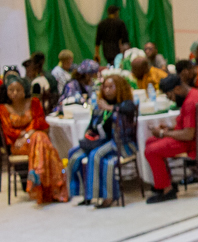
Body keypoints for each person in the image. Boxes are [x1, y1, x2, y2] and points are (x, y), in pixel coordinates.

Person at [67, 75, 136, 207]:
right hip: (99, 142)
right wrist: (89, 133)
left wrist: (109, 107)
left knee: (96, 156)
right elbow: (92, 126)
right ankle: (84, 194)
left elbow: (128, 109)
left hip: (119, 143)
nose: (107, 90)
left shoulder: (126, 104)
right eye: (105, 87)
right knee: (74, 155)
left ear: (119, 88)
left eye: (111, 87)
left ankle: (105, 196)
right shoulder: (99, 107)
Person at [143, 74, 198, 203]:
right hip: (194, 137)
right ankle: (166, 181)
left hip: (193, 142)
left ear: (177, 89)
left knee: (151, 151)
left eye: (170, 96)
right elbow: (187, 126)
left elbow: (188, 134)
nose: (171, 100)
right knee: (150, 141)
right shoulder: (194, 94)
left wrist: (163, 134)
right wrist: (169, 129)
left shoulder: (190, 102)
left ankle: (166, 190)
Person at [0, 76, 68, 204]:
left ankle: (36, 173)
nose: (14, 93)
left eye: (18, 90)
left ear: (24, 90)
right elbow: (8, 131)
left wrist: (27, 135)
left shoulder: (34, 102)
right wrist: (29, 133)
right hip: (18, 144)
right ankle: (49, 182)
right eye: (11, 90)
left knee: (39, 137)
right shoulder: (3, 108)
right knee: (41, 140)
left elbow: (40, 123)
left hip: (33, 140)